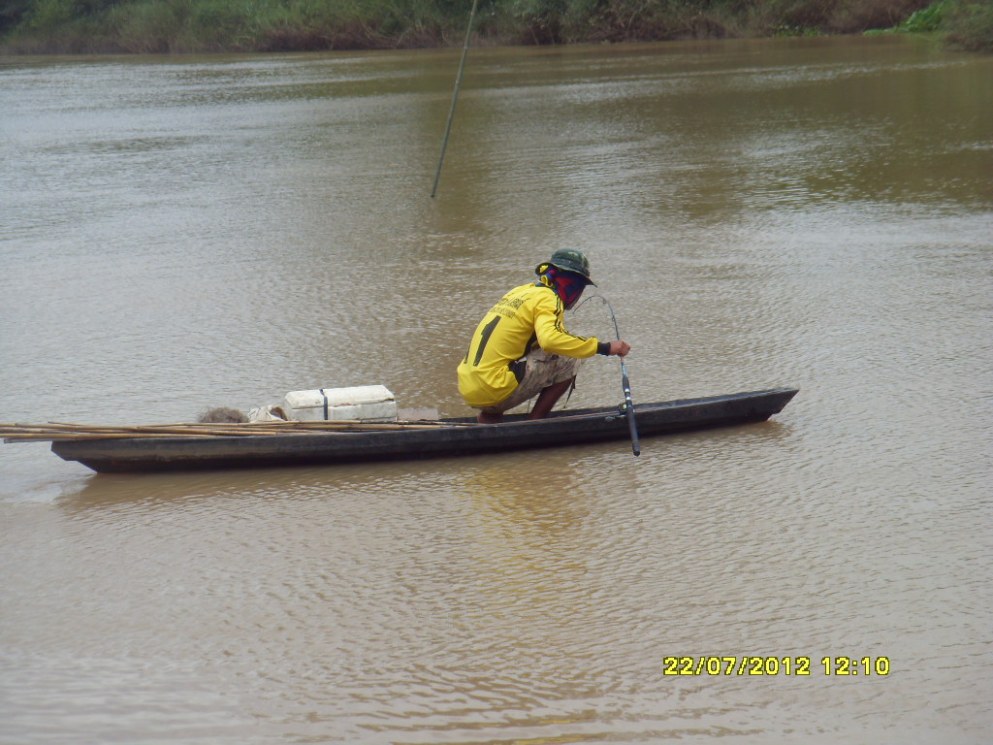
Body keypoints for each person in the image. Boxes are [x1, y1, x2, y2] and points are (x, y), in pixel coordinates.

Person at [457, 249, 631, 423]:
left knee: (523, 353)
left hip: (469, 385)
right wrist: (605, 348)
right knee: (571, 358)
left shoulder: (521, 292)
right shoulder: (549, 298)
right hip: (495, 387)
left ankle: (488, 418)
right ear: (573, 285)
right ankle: (535, 422)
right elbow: (550, 340)